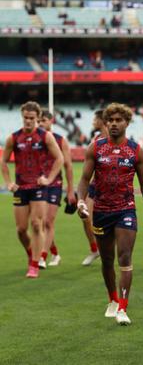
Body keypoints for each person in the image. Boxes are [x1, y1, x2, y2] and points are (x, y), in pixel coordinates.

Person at [77, 103, 143, 325]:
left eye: (118, 120)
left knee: (124, 256)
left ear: (127, 122)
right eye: (110, 120)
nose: (114, 123)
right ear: (106, 123)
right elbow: (85, 179)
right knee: (107, 260)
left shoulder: (136, 150)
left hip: (125, 210)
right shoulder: (95, 148)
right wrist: (81, 201)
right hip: (102, 211)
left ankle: (123, 307)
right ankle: (112, 299)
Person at [1, 102, 63, 278]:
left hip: (38, 187)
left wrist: (49, 179)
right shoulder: (13, 138)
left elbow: (59, 158)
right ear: (22, 117)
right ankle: (31, 254)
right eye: (25, 118)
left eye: (32, 118)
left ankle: (35, 264)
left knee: (37, 224)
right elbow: (3, 161)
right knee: (21, 229)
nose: (28, 121)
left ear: (37, 118)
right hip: (20, 187)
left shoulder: (45, 136)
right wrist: (8, 182)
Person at [38, 110, 76, 267]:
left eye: (44, 120)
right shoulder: (34, 140)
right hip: (38, 184)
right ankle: (55, 253)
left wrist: (70, 190)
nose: (40, 123)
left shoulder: (61, 141)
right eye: (38, 121)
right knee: (40, 223)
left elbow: (68, 166)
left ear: (51, 121)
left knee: (48, 221)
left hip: (55, 185)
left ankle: (42, 257)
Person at [80, 110, 107, 266]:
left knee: (105, 222)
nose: (92, 122)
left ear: (101, 120)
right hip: (94, 186)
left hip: (109, 188)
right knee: (85, 216)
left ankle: (106, 250)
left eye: (95, 119)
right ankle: (94, 249)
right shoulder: (95, 140)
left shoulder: (114, 138)